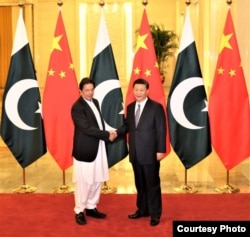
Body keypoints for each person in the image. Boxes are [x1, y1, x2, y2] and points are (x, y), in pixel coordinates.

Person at [116, 78, 167, 226]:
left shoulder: (156, 107)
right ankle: (142, 209)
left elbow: (161, 130)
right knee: (140, 184)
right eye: (136, 90)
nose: (138, 93)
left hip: (151, 153)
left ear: (147, 91)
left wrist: (160, 150)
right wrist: (115, 133)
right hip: (135, 153)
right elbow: (127, 126)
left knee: (152, 184)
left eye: (141, 90)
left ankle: (155, 214)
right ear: (133, 91)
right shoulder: (130, 107)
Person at [71, 77, 116, 225]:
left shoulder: (95, 102)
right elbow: (86, 128)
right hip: (85, 149)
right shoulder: (77, 107)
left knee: (97, 178)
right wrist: (106, 135)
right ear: (80, 91)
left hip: (98, 147)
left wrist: (106, 132)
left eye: (92, 90)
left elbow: (97, 124)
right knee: (84, 181)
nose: (90, 93)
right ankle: (79, 210)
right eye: (87, 90)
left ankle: (91, 206)